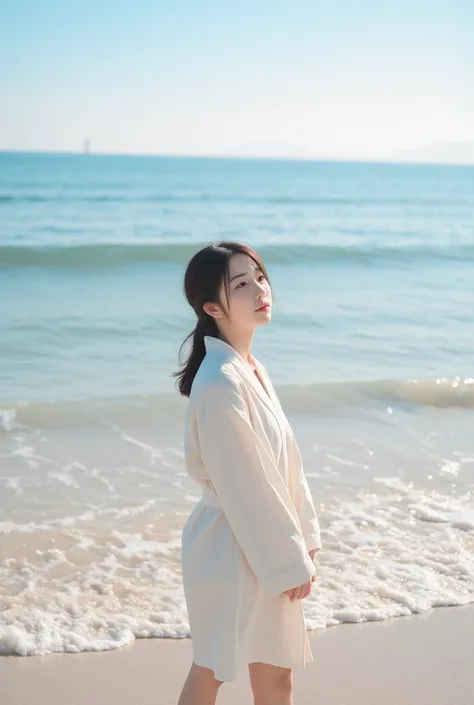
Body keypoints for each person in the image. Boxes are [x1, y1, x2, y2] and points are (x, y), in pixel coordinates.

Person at [175, 241, 322, 705]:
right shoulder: (220, 381)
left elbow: (284, 462)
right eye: (241, 283)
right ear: (213, 306)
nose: (260, 288)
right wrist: (287, 558)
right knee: (213, 670)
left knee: (278, 674)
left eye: (259, 276)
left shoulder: (249, 368)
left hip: (265, 538)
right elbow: (245, 484)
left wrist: (306, 532)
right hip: (229, 547)